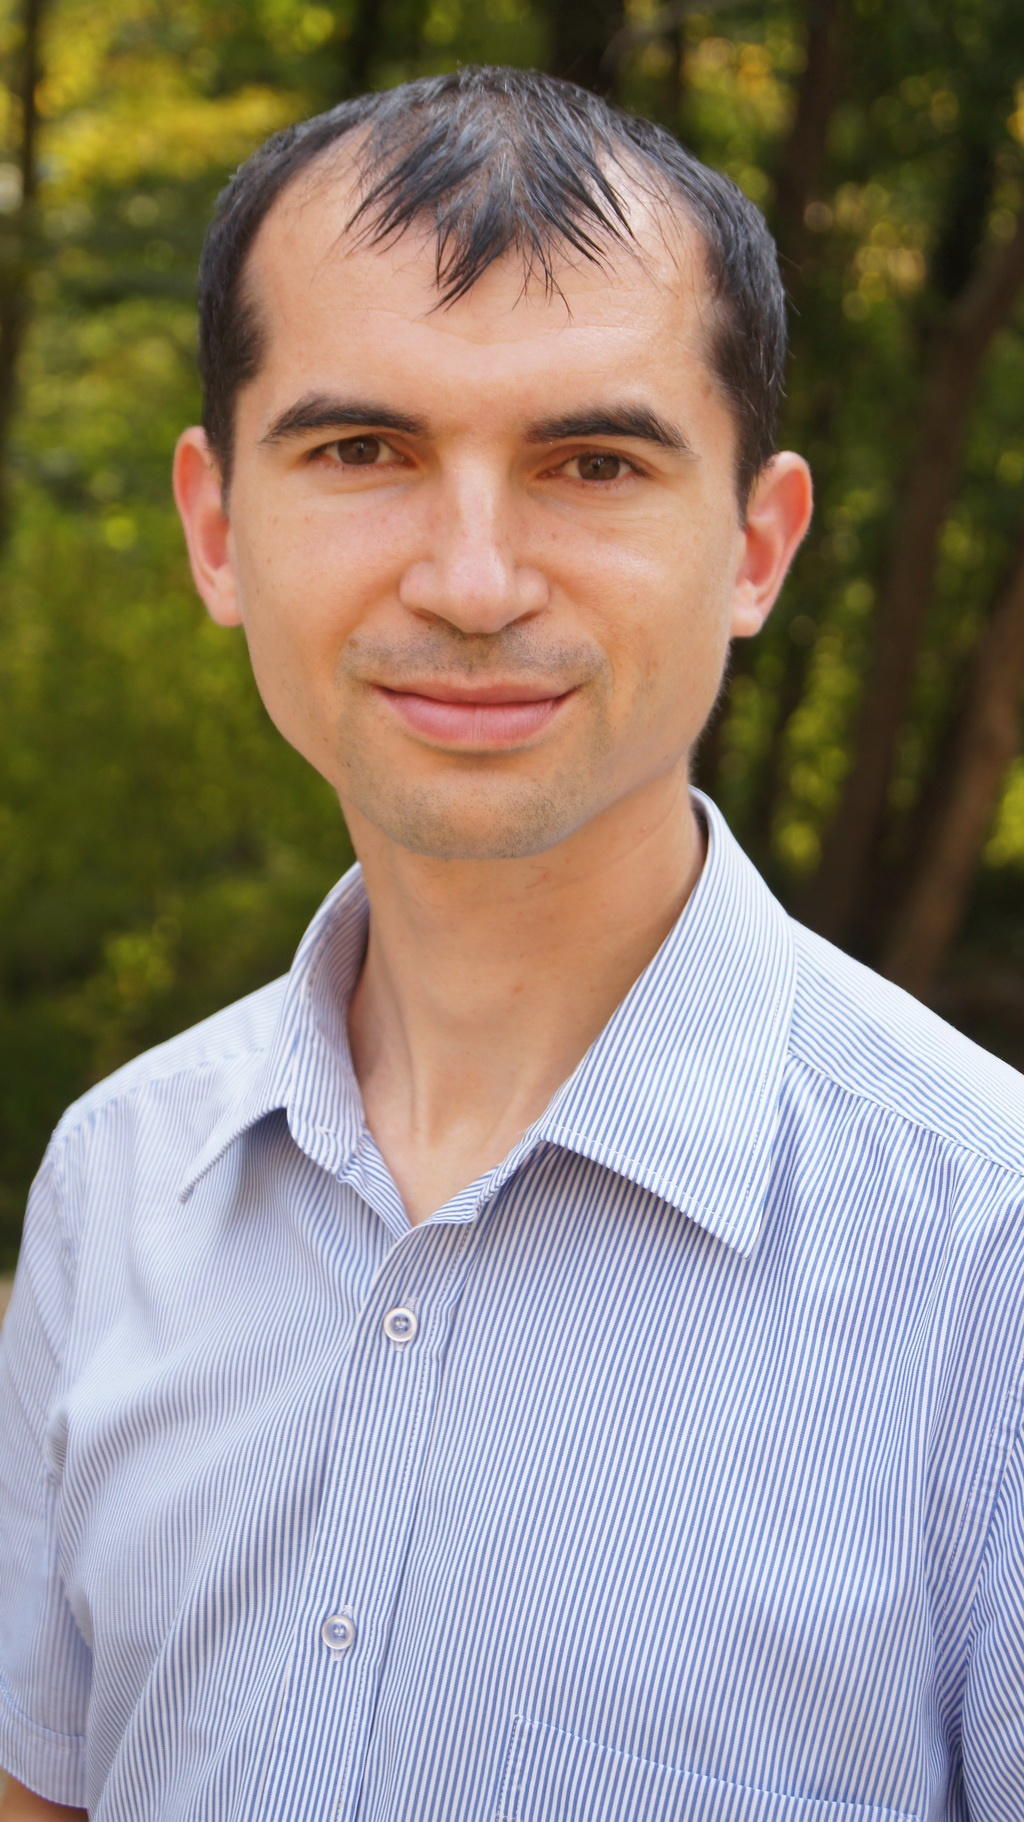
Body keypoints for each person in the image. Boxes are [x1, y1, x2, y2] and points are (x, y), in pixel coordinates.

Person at [0, 62, 1021, 1822]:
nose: (473, 582)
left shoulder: (989, 1264)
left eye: (593, 461)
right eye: (363, 451)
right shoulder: (116, 1181)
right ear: (218, 528)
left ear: (757, 545)